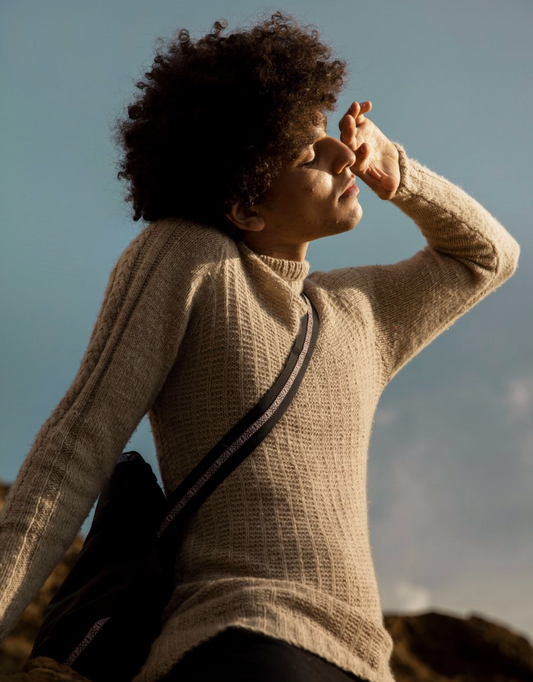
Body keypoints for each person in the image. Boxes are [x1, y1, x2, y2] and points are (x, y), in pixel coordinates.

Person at [0, 10, 520, 682]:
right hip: (241, 638)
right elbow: (77, 444)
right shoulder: (188, 257)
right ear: (246, 207)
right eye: (309, 154)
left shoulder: (362, 311)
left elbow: (489, 257)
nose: (342, 153)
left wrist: (398, 172)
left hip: (363, 663)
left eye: (329, 133)